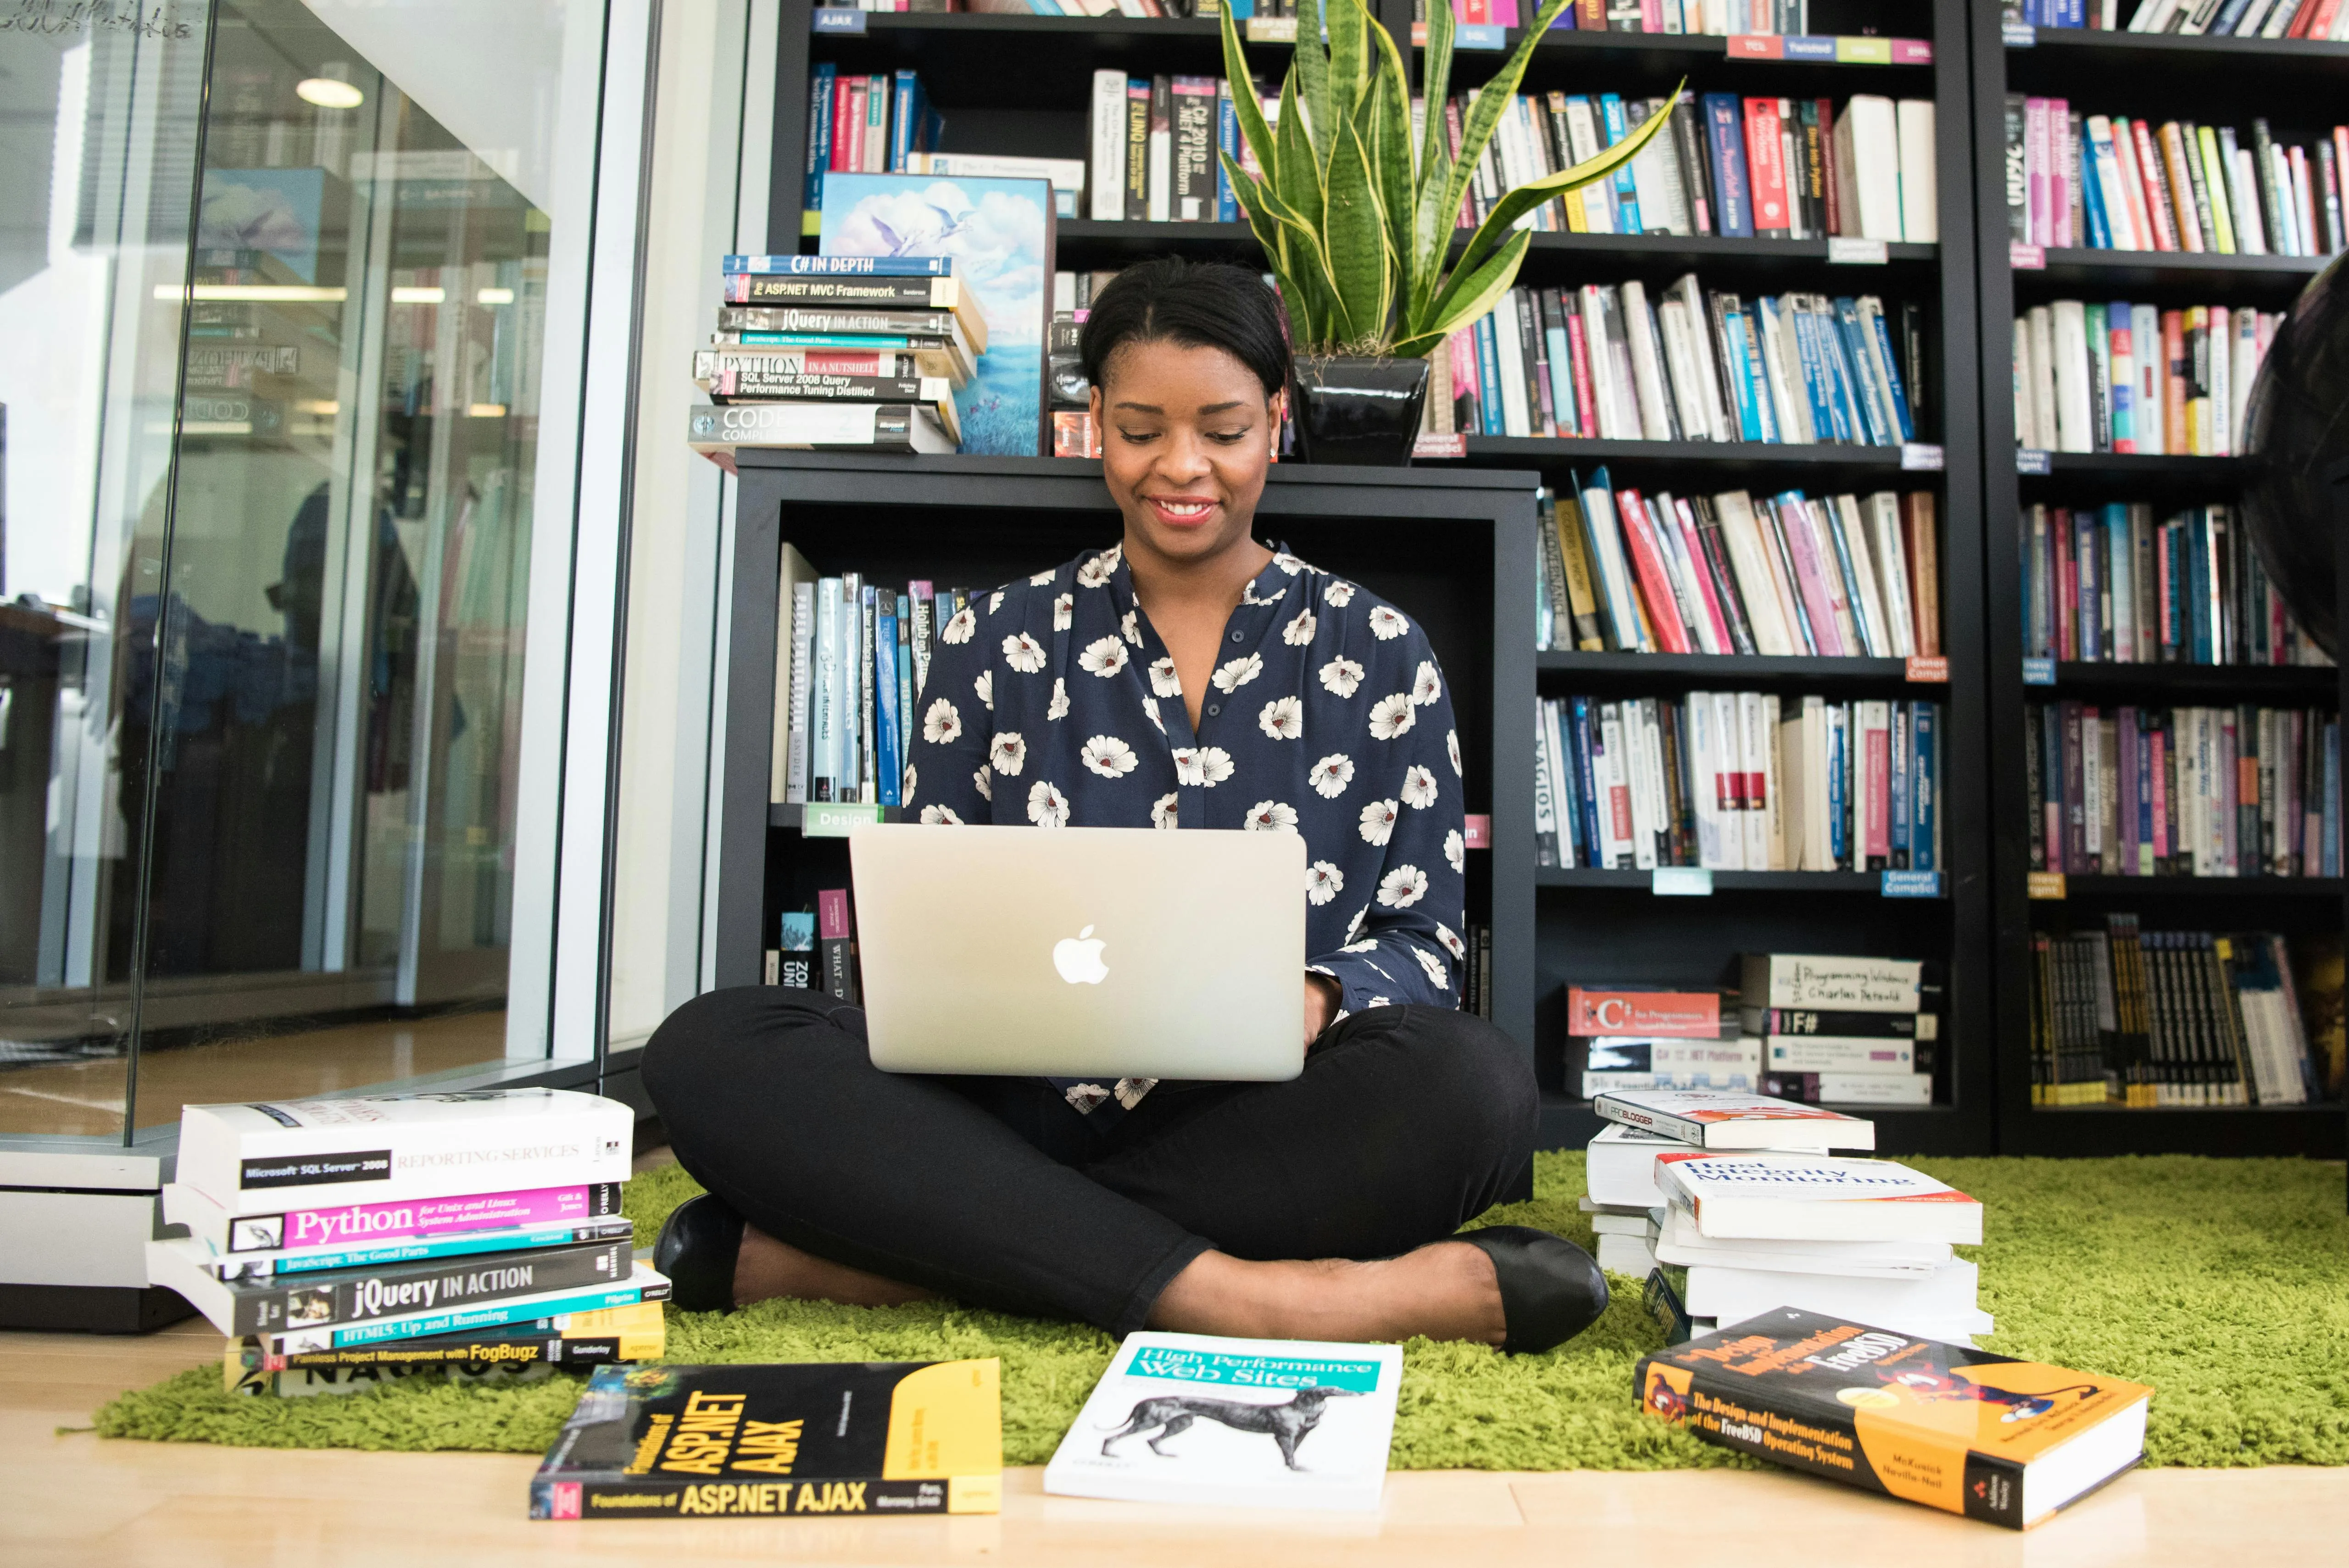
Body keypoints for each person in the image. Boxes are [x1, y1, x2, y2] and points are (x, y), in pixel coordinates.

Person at [646, 257, 1606, 1353]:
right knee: (709, 1046)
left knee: (1476, 1087)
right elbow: (924, 919)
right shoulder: (990, 639)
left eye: (1225, 428)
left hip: (1262, 1115)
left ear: (1277, 422)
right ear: (1093, 419)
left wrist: (1310, 994)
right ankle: (1273, 1298)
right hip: (1002, 1101)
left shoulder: (1381, 650)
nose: (1182, 465)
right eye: (1142, 427)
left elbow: (1425, 942)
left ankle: (910, 1255)